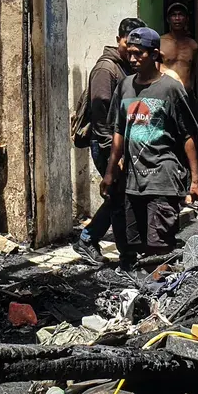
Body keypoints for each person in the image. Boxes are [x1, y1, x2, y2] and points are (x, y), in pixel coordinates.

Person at [103, 27, 198, 258]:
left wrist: (195, 179)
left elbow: (188, 134)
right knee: (133, 242)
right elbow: (119, 131)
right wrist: (110, 171)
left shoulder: (170, 88)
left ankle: (161, 287)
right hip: (132, 179)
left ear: (155, 54)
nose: (133, 59)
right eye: (130, 53)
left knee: (158, 245)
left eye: (140, 53)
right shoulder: (125, 86)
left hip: (162, 177)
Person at [72, 17, 147, 265]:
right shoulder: (107, 69)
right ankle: (119, 253)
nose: (133, 50)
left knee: (119, 196)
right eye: (128, 44)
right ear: (118, 41)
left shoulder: (125, 66)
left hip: (122, 144)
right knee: (118, 198)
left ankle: (90, 239)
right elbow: (101, 112)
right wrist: (114, 153)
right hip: (107, 144)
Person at [160, 2, 198, 93]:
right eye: (173, 15)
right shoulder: (160, 42)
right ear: (168, 19)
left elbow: (193, 69)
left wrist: (191, 87)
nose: (177, 18)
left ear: (186, 19)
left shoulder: (193, 45)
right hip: (165, 92)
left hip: (186, 92)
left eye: (180, 15)